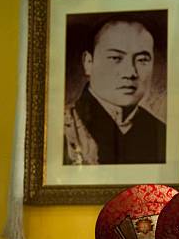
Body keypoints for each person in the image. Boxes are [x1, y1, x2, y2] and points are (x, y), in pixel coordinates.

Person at [64, 15, 166, 165]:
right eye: (115, 58)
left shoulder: (162, 132)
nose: (130, 72)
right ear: (88, 62)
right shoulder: (61, 128)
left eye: (142, 60)